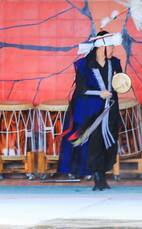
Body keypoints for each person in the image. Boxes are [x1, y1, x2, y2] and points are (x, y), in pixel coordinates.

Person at [61, 31, 122, 190]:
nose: (114, 49)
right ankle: (98, 177)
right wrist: (99, 94)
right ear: (101, 47)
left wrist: (122, 84)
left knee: (107, 143)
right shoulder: (84, 65)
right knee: (94, 143)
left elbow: (121, 81)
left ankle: (102, 175)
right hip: (91, 110)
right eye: (111, 46)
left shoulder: (114, 63)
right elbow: (81, 89)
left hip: (110, 109)